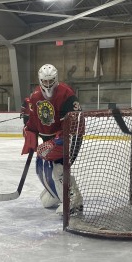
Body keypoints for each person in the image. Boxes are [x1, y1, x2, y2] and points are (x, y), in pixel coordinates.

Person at [21, 64, 83, 214]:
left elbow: (76, 123)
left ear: (56, 79)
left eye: (51, 81)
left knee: (58, 168)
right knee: (41, 165)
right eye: (45, 81)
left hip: (69, 137)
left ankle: (73, 199)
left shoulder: (66, 95)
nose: (48, 84)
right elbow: (33, 119)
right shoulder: (35, 95)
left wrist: (58, 140)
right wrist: (30, 131)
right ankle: (56, 193)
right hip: (51, 139)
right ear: (40, 80)